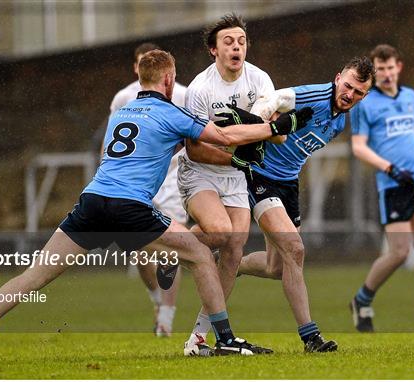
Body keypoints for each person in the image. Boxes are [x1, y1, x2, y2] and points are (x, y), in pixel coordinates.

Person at [0, 49, 307, 365]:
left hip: (92, 203)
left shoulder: (122, 114)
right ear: (169, 79)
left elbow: (160, 148)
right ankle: (224, 339)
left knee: (34, 275)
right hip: (129, 208)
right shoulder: (172, 113)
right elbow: (223, 136)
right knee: (199, 254)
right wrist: (273, 128)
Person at [236, 56, 375, 352]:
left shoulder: (340, 122)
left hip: (288, 184)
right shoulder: (314, 95)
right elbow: (272, 100)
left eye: (358, 92)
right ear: (338, 78)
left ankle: (228, 264)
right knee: (295, 250)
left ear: (365, 95)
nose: (350, 94)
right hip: (260, 175)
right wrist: (260, 128)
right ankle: (311, 337)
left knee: (277, 267)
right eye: (347, 86)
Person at [177, 13, 277, 356]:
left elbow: (272, 129)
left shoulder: (260, 80)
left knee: (235, 247)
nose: (237, 47)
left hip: (236, 174)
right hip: (201, 171)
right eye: (228, 42)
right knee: (219, 232)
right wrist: (238, 155)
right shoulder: (201, 89)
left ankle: (200, 338)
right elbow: (195, 147)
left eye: (241, 42)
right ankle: (172, 250)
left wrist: (275, 128)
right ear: (213, 50)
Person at [348, 44, 414, 332]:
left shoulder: (410, 97)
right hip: (392, 184)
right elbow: (358, 147)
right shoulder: (365, 103)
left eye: (390, 68)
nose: (387, 74)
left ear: (399, 67)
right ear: (374, 72)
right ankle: (361, 299)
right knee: (400, 252)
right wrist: (390, 168)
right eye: (380, 69)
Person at [104, 42, 187, 337]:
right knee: (138, 249)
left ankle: (166, 314)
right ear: (136, 68)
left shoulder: (184, 94)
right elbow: (110, 143)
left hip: (174, 179)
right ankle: (157, 298)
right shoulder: (123, 98)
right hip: (136, 181)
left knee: (170, 249)